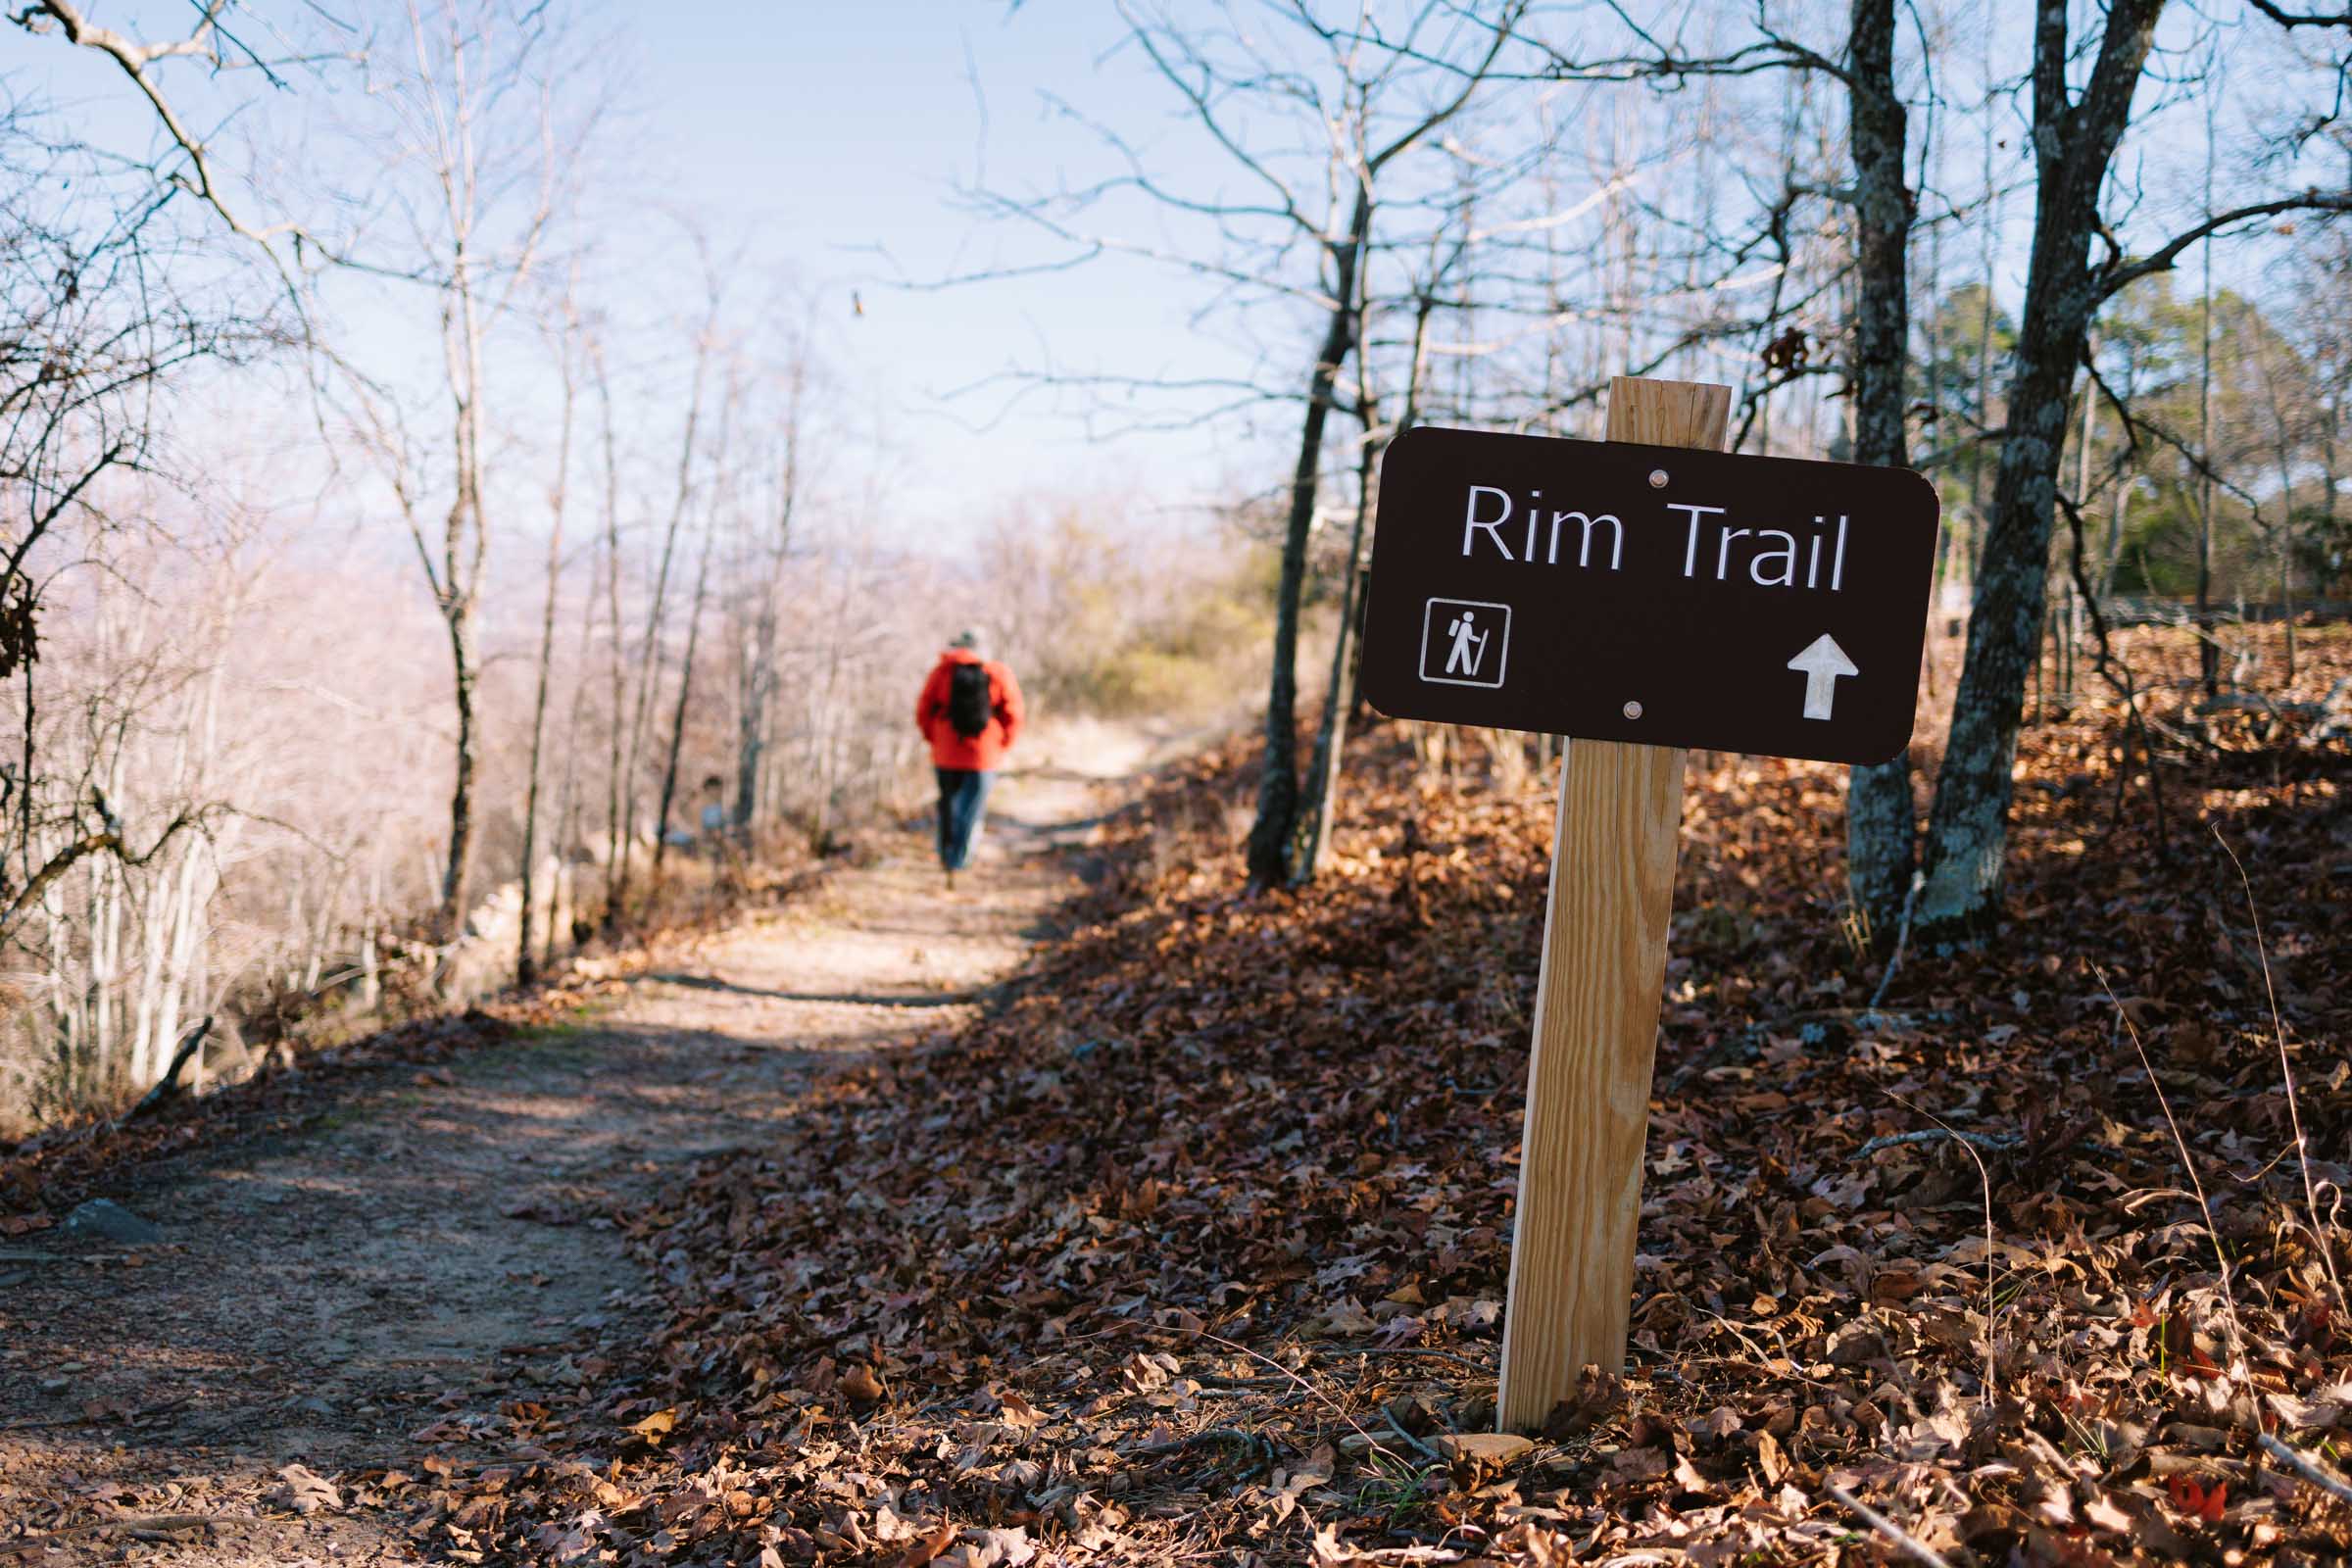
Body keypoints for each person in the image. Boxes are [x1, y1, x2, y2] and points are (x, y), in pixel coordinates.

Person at [914, 630, 1024, 889]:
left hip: (945, 752)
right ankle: (960, 860)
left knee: (948, 806)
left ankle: (945, 854)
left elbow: (923, 710)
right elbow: (1014, 714)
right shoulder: (998, 673)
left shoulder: (942, 672)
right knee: (971, 810)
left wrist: (936, 739)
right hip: (983, 755)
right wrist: (1002, 744)